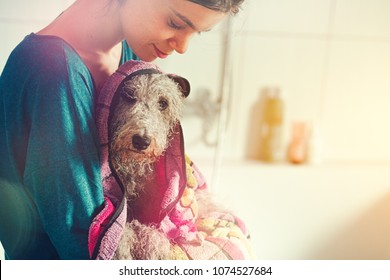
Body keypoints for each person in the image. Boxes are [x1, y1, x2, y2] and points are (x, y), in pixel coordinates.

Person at [0, 0, 245, 260]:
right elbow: (87, 240)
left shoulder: (127, 51)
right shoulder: (52, 72)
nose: (183, 47)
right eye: (175, 23)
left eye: (195, 32)